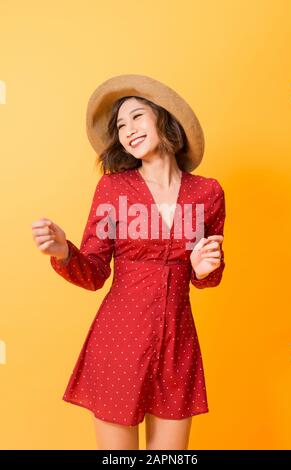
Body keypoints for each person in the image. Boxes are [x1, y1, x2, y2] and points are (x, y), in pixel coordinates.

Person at [31, 74, 226, 450]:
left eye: (137, 117)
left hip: (177, 344)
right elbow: (94, 272)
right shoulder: (113, 189)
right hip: (119, 342)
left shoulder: (208, 193)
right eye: (120, 125)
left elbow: (208, 274)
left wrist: (205, 270)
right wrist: (64, 251)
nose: (128, 130)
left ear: (164, 118)